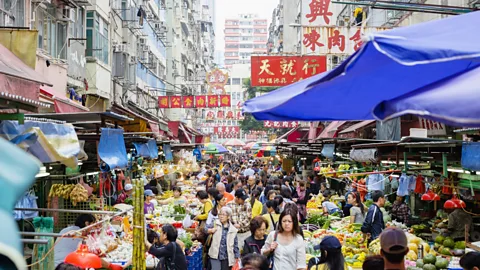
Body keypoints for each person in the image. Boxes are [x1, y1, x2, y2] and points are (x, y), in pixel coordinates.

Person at [54, 215, 123, 270]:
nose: (93, 228)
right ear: (87, 223)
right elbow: (91, 257)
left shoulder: (65, 230)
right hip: (65, 266)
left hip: (53, 264)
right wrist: (110, 266)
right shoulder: (80, 236)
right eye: (93, 224)